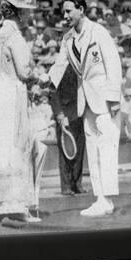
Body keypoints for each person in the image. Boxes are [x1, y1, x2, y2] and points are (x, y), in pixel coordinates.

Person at [48, 0, 122, 217]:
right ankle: (100, 198)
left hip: (105, 100)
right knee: (93, 148)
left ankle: (107, 199)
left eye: (69, 11)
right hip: (86, 101)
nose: (65, 15)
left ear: (81, 10)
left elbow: (113, 63)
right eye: (63, 11)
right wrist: (42, 79)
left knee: (106, 148)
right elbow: (59, 66)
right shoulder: (67, 38)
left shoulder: (98, 32)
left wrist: (114, 97)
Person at [0, 0, 43, 225]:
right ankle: (16, 206)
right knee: (16, 147)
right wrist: (39, 75)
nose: (29, 15)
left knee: (1, 148)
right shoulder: (15, 36)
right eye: (27, 10)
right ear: (20, 11)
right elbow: (25, 71)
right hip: (11, 96)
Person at [50, 63, 86, 195]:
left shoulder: (81, 67)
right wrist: (59, 113)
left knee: (80, 152)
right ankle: (66, 186)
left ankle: (77, 184)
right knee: (66, 153)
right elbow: (52, 93)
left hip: (80, 115)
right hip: (64, 116)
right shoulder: (57, 69)